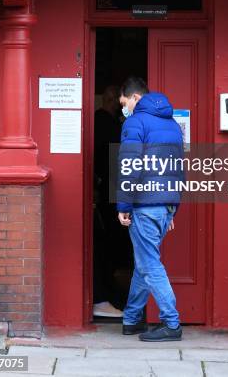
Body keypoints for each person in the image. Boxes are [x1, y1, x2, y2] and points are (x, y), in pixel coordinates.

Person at [116, 76, 185, 342]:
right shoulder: (172, 124)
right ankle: (132, 319)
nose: (124, 108)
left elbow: (128, 165)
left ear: (134, 98)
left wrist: (123, 204)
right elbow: (179, 168)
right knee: (144, 263)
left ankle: (171, 322)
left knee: (149, 264)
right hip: (164, 204)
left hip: (144, 204)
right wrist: (172, 208)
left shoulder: (135, 122)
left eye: (124, 103)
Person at [93, 85, 123, 318]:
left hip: (105, 189)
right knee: (108, 238)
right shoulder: (108, 124)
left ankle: (108, 289)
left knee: (107, 239)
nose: (118, 105)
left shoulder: (100, 121)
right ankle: (105, 293)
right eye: (116, 101)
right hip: (109, 190)